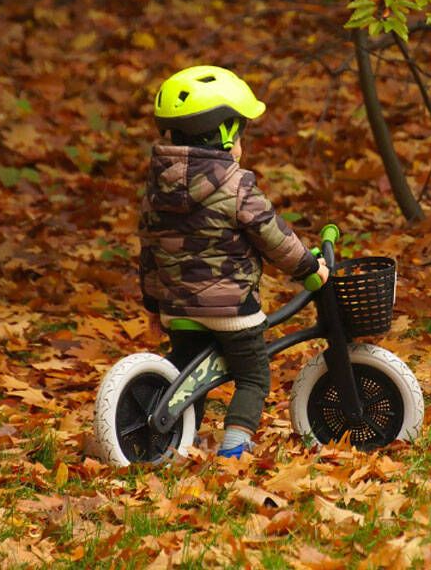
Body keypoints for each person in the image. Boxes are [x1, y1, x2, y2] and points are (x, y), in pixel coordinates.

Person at [138, 65, 329, 459]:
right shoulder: (236, 185)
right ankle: (234, 448)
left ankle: (175, 443)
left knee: (188, 380)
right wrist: (309, 269)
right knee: (254, 378)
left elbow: (150, 249)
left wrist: (154, 304)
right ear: (225, 134)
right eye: (240, 131)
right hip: (232, 310)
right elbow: (273, 236)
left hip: (179, 309)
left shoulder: (158, 187)